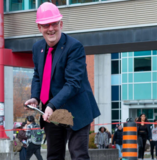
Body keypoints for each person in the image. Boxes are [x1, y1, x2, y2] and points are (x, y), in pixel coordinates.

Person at [24, 2, 101, 160]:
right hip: (52, 113)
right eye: (46, 25)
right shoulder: (37, 48)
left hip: (76, 110)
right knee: (53, 155)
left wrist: (52, 105)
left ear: (61, 24)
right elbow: (38, 76)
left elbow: (73, 83)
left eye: (54, 24)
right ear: (39, 27)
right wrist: (35, 98)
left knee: (78, 154)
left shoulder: (74, 47)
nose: (51, 29)